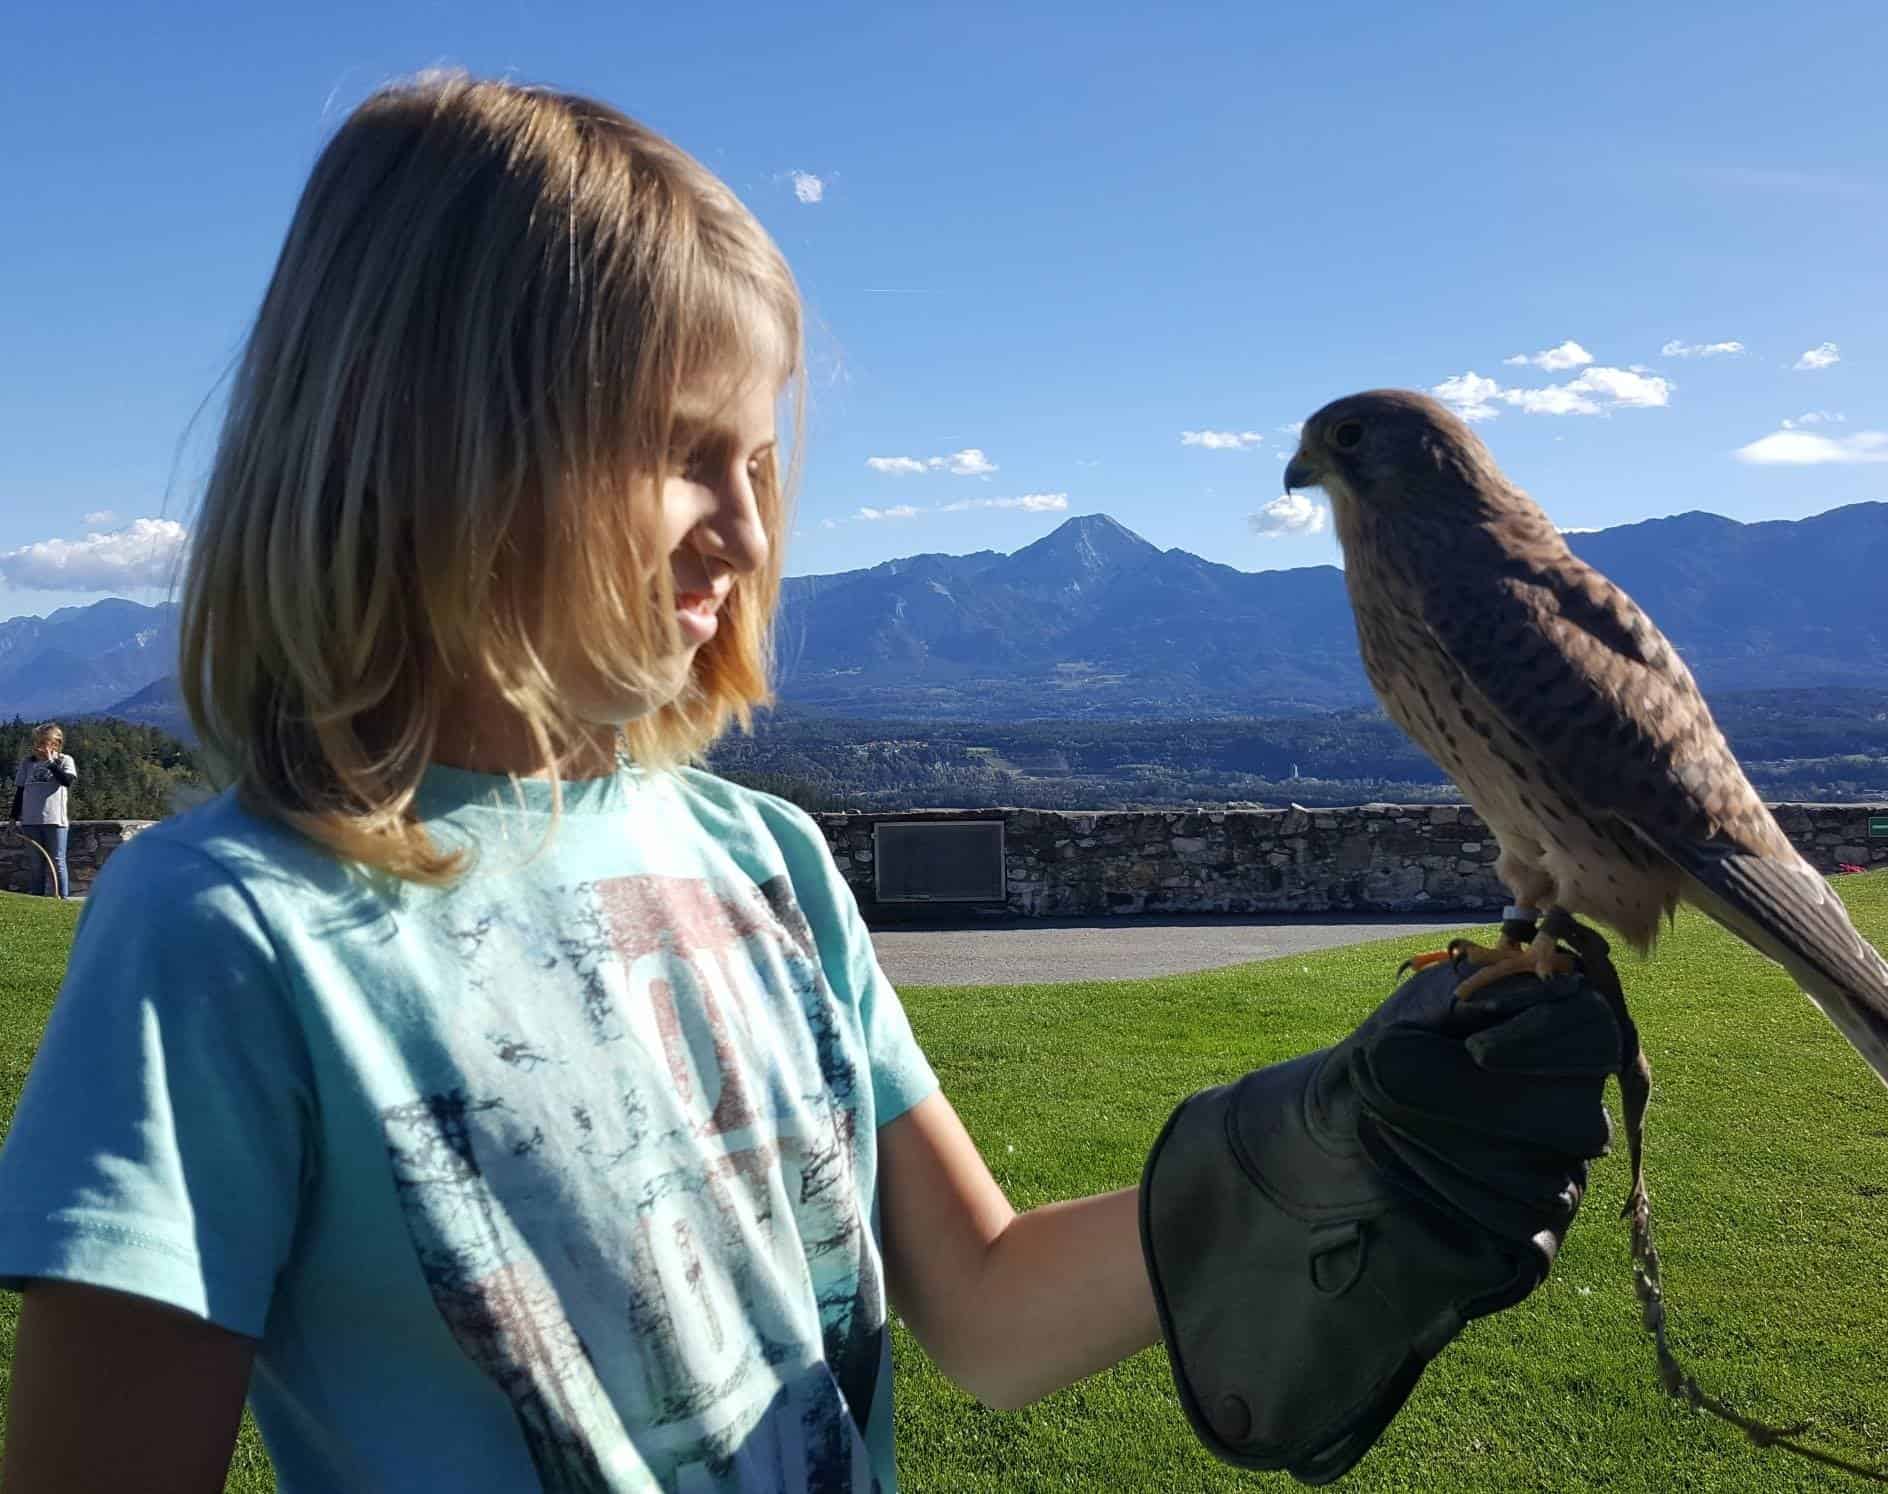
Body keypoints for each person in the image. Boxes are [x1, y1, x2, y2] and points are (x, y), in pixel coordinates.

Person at [0, 75, 1614, 1493]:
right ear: (437, 447)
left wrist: (1337, 1131)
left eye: (760, 459)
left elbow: (982, 1305)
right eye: (683, 451)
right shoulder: (228, 925)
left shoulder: (763, 855)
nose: (750, 527)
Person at [9, 723, 77, 898]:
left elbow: (66, 781)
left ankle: (61, 899)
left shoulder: (64, 760)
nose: (38, 746)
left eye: (43, 742)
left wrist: (50, 763)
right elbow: (20, 791)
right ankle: (37, 900)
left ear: (55, 743)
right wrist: (13, 819)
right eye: (37, 741)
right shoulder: (28, 763)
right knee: (35, 864)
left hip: (55, 821)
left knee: (57, 862)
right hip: (30, 821)